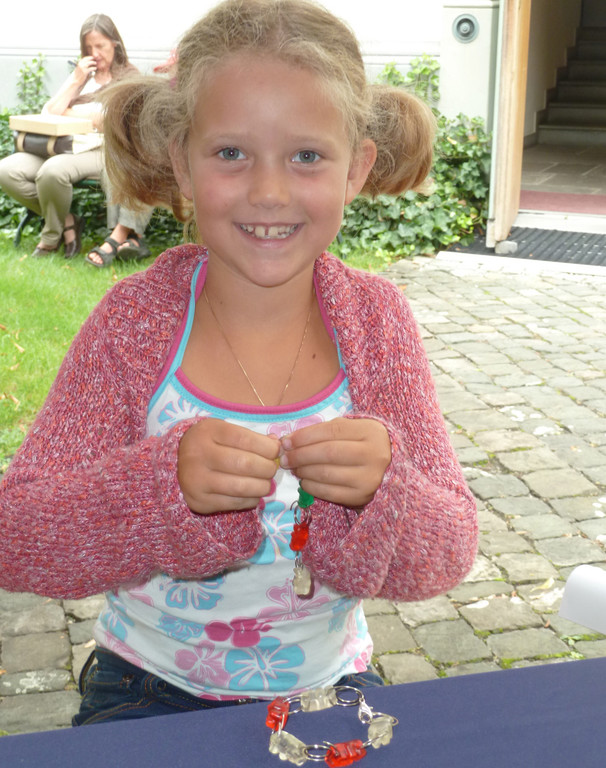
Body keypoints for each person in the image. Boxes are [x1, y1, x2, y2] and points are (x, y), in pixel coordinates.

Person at [0, 0, 478, 725]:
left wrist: (387, 490)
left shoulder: (378, 324)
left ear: (357, 169)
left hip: (330, 687)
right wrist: (158, 491)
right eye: (230, 153)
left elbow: (449, 550)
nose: (268, 192)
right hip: (146, 690)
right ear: (181, 165)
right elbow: (18, 537)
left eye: (307, 156)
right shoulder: (134, 325)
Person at [0, 14, 151, 261]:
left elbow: (108, 122)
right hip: (61, 145)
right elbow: (49, 112)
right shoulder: (82, 77)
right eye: (89, 48)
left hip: (100, 150)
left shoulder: (128, 78)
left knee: (52, 172)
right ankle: (68, 221)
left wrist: (69, 112)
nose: (95, 53)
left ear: (115, 44)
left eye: (100, 46)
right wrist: (76, 80)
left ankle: (50, 238)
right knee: (7, 170)